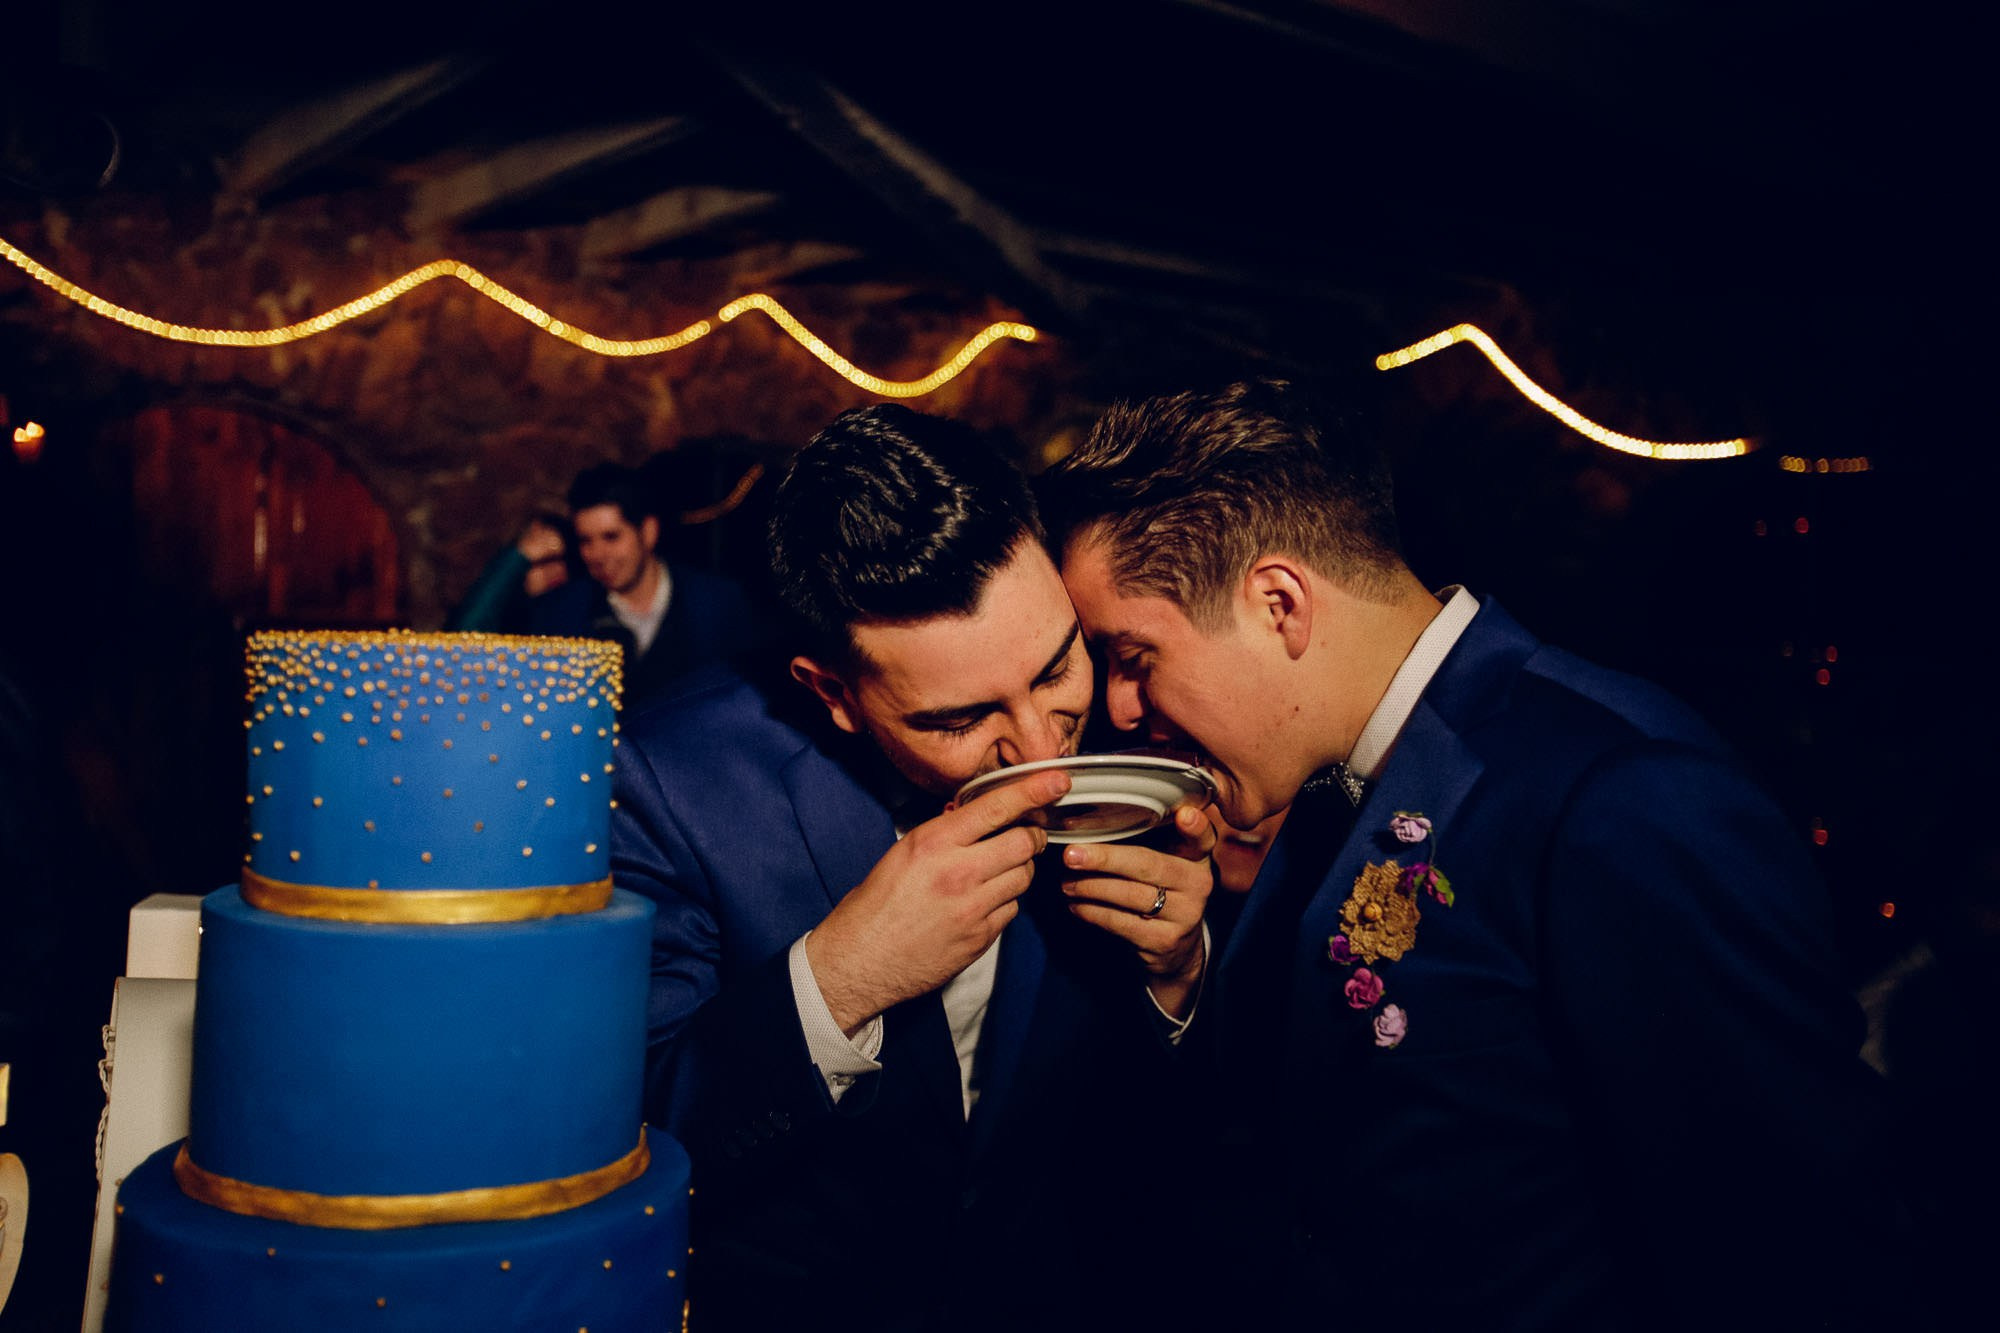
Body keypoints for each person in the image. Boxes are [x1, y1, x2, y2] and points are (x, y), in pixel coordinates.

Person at [1037, 377, 1901, 1331]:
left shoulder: (1620, 798)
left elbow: (1791, 1243)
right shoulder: (1333, 786)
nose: (1117, 709)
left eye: (1133, 656)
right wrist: (1178, 975)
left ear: (1279, 602)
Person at [609, 404, 1215, 1333]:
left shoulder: (1133, 732)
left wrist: (1176, 975)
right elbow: (634, 1138)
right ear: (834, 693)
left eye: (1057, 669)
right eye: (959, 719)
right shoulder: (669, 780)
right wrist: (842, 976)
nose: (1040, 754)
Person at [528, 462, 763, 709]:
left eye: (611, 537)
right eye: (586, 541)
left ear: (648, 532)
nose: (596, 555)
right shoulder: (560, 614)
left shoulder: (718, 604)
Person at [444, 510, 571, 633]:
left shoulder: (572, 610)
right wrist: (519, 558)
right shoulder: (508, 610)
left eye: (566, 561)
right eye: (545, 561)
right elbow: (465, 635)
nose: (558, 570)